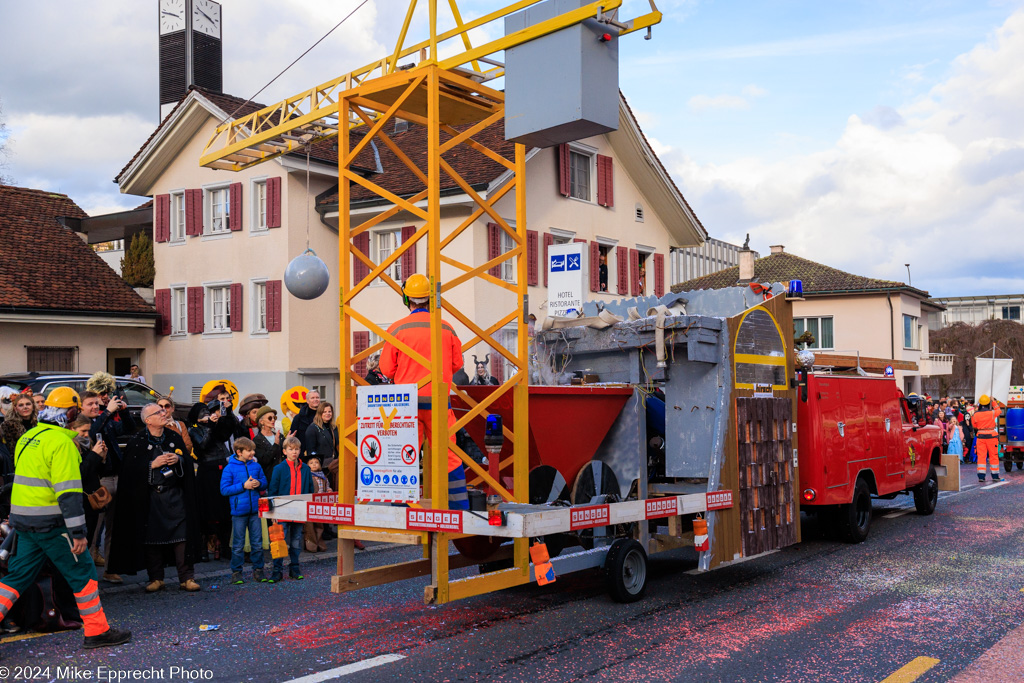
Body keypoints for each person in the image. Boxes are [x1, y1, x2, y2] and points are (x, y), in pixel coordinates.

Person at [0, 387, 131, 649]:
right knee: (83, 574)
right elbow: (69, 493)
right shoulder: (63, 443)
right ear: (71, 413)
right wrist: (78, 533)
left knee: (16, 577)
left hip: (24, 523)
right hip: (52, 524)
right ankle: (97, 631)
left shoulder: (29, 436)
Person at [380, 274, 469, 511]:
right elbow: (457, 364)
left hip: (406, 404)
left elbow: (386, 370)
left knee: (405, 455)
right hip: (438, 402)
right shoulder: (447, 327)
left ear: (406, 297)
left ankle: (401, 507)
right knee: (448, 455)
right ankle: (459, 507)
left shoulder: (396, 329)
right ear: (431, 298)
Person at [108, 404, 202, 593]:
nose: (163, 413)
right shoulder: (138, 441)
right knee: (152, 538)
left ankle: (187, 577)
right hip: (151, 497)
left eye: (163, 411)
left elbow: (187, 459)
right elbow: (130, 471)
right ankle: (156, 578)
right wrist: (152, 464)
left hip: (175, 495)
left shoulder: (174, 437)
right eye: (158, 412)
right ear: (148, 420)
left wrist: (179, 460)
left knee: (182, 536)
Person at [187, 400, 232, 561]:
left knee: (225, 509)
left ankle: (225, 546)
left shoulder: (214, 424)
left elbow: (226, 432)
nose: (207, 414)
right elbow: (203, 444)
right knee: (207, 509)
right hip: (207, 470)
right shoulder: (193, 430)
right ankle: (204, 547)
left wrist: (228, 412)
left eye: (208, 411)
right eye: (203, 412)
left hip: (222, 466)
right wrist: (210, 426)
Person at [220, 437, 268, 584]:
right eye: (249, 450)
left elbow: (264, 482)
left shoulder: (256, 466)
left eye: (253, 450)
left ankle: (258, 571)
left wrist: (259, 483)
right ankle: (236, 572)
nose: (253, 452)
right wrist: (243, 486)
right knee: (238, 544)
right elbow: (224, 489)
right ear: (239, 452)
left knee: (257, 543)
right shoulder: (230, 468)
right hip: (238, 512)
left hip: (255, 511)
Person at [268, 437, 312, 582]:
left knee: (296, 540)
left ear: (300, 451)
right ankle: (277, 570)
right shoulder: (279, 469)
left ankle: (294, 567)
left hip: (299, 510)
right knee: (279, 541)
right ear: (284, 451)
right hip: (281, 510)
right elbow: (273, 491)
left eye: (296, 449)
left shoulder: (305, 469)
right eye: (291, 449)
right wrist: (272, 512)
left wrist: (307, 509)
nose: (294, 452)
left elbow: (310, 490)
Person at [69, 414, 109, 556]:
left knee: (90, 537)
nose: (86, 435)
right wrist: (94, 455)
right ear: (73, 429)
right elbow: (79, 474)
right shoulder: (70, 445)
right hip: (80, 500)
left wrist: (102, 458)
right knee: (78, 544)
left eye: (88, 431)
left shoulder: (89, 443)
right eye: (83, 431)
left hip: (92, 499)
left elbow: (99, 472)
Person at [971, 394, 1002, 483]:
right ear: (988, 403)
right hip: (992, 436)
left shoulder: (975, 414)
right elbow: (999, 410)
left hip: (980, 437)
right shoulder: (992, 413)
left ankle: (981, 476)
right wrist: (993, 401)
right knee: (994, 456)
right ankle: (995, 476)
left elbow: (974, 425)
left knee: (981, 456)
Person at [304, 457, 331, 553]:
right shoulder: (307, 476)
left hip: (320, 504)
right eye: (311, 463)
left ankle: (319, 542)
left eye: (316, 462)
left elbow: (326, 486)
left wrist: (328, 490)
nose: (314, 464)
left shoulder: (323, 476)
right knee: (309, 526)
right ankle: (311, 544)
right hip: (311, 503)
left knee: (319, 525)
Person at [252, 406, 283, 481]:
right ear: (261, 421)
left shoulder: (280, 436)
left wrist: (289, 442)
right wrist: (275, 444)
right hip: (269, 477)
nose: (273, 420)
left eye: (274, 418)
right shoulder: (257, 440)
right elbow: (264, 460)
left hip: (283, 476)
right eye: (270, 418)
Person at [290, 389, 320, 457]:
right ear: (307, 401)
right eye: (312, 398)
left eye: (317, 397)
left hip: (321, 453)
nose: (315, 399)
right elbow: (293, 437)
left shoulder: (324, 416)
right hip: (303, 455)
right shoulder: (299, 418)